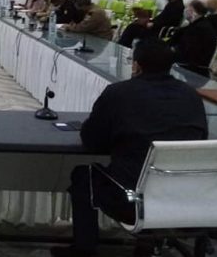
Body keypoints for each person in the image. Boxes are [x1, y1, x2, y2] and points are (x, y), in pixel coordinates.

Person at [50, 38, 208, 257]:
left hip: (130, 201)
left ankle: (84, 250)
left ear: (136, 65)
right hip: (187, 198)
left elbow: (92, 140)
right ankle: (146, 244)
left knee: (83, 177)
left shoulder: (118, 93)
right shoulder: (192, 96)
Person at [169, 0, 217, 77]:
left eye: (187, 8)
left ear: (192, 10)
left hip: (191, 67)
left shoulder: (199, 29)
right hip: (192, 64)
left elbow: (187, 51)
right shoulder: (199, 24)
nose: (185, 11)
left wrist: (171, 50)